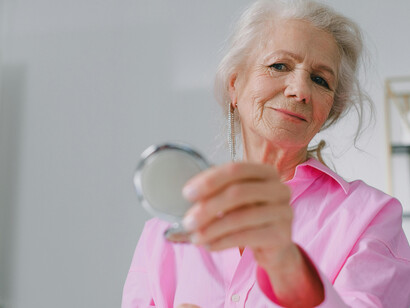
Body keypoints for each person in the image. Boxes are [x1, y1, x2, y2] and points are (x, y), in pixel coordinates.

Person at [122, 0, 410, 307]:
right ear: (235, 85)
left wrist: (290, 267)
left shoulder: (371, 217)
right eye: (279, 66)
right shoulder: (166, 228)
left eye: (320, 80)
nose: (299, 90)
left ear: (329, 110)